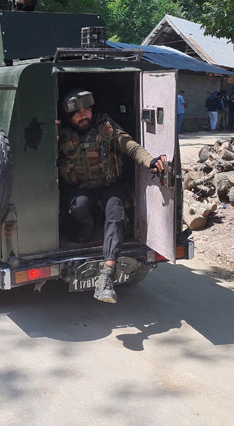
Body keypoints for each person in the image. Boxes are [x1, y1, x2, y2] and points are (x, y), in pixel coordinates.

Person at [57, 89, 166, 303]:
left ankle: (107, 275)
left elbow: (130, 146)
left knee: (115, 214)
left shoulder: (105, 128)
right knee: (79, 208)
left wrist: (150, 161)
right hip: (82, 188)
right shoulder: (62, 134)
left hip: (109, 184)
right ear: (69, 116)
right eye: (78, 113)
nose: (84, 116)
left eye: (87, 110)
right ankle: (88, 222)